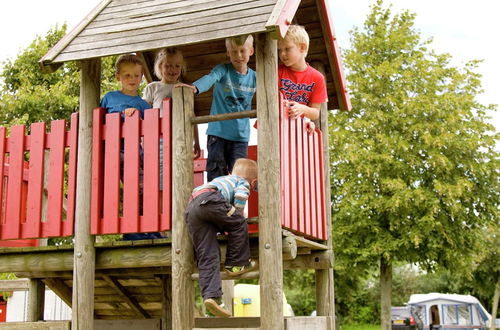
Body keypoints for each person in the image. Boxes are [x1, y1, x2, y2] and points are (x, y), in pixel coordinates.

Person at [185, 158, 258, 317]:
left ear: (231, 172)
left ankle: (211, 297)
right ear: (253, 182)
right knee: (239, 223)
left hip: (193, 208)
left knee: (208, 253)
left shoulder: (219, 180)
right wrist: (237, 215)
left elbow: (213, 210)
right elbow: (240, 196)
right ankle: (236, 265)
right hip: (211, 201)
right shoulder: (242, 182)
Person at [178, 35, 256, 181]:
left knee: (239, 177)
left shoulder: (255, 78)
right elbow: (211, 77)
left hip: (240, 136)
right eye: (233, 52)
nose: (238, 56)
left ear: (251, 51)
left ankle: (234, 204)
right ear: (228, 53)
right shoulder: (224, 70)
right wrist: (195, 87)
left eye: (242, 51)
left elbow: (270, 89)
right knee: (216, 173)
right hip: (218, 133)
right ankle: (215, 203)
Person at [100, 54, 162, 241]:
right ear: (118, 76)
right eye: (127, 75)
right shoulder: (109, 98)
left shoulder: (143, 105)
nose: (132, 80)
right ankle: (130, 229)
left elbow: (151, 129)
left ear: (142, 76)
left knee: (141, 190)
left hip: (135, 155)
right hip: (111, 154)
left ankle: (146, 229)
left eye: (136, 75)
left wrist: (138, 117)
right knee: (111, 191)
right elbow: (98, 120)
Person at [143, 48, 200, 193]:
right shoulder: (153, 87)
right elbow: (145, 115)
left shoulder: (185, 88)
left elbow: (191, 116)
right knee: (161, 172)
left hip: (181, 138)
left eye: (177, 66)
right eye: (168, 65)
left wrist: (197, 142)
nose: (172, 69)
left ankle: (180, 206)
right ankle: (163, 206)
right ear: (160, 67)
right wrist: (145, 139)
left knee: (180, 171)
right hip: (159, 139)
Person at [277, 25, 328, 121]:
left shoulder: (317, 78)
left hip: (297, 129)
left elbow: (315, 112)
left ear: (302, 47)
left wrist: (302, 108)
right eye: (280, 50)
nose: (282, 54)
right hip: (275, 124)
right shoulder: (277, 72)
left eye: (287, 49)